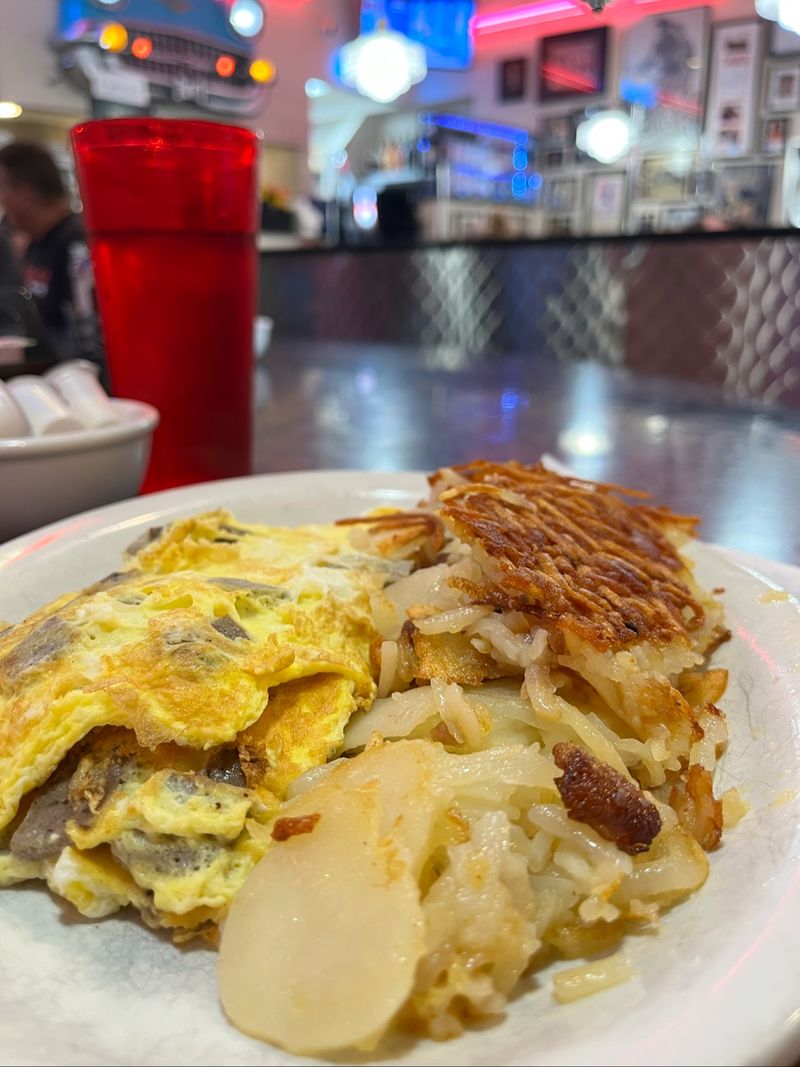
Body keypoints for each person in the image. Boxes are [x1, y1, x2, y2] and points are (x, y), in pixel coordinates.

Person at [0, 141, 102, 365]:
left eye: (2, 191)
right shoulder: (38, 242)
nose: (2, 202)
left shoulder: (76, 246)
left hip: (79, 385)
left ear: (23, 194)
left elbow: (90, 345)